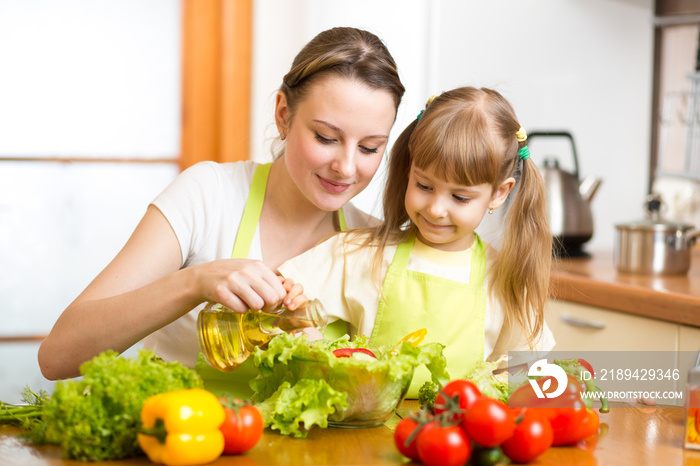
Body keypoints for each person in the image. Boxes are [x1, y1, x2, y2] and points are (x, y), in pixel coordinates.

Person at [38, 27, 405, 397]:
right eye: (326, 138)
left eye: (370, 148)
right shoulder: (207, 195)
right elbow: (57, 357)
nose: (345, 166)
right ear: (283, 115)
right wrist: (195, 282)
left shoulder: (373, 244)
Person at [278, 87, 555, 397]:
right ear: (409, 169)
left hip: (458, 437)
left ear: (499, 193)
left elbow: (527, 368)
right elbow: (285, 296)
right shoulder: (360, 253)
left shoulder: (505, 279)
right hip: (368, 435)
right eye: (424, 185)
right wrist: (294, 309)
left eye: (459, 197)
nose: (436, 209)